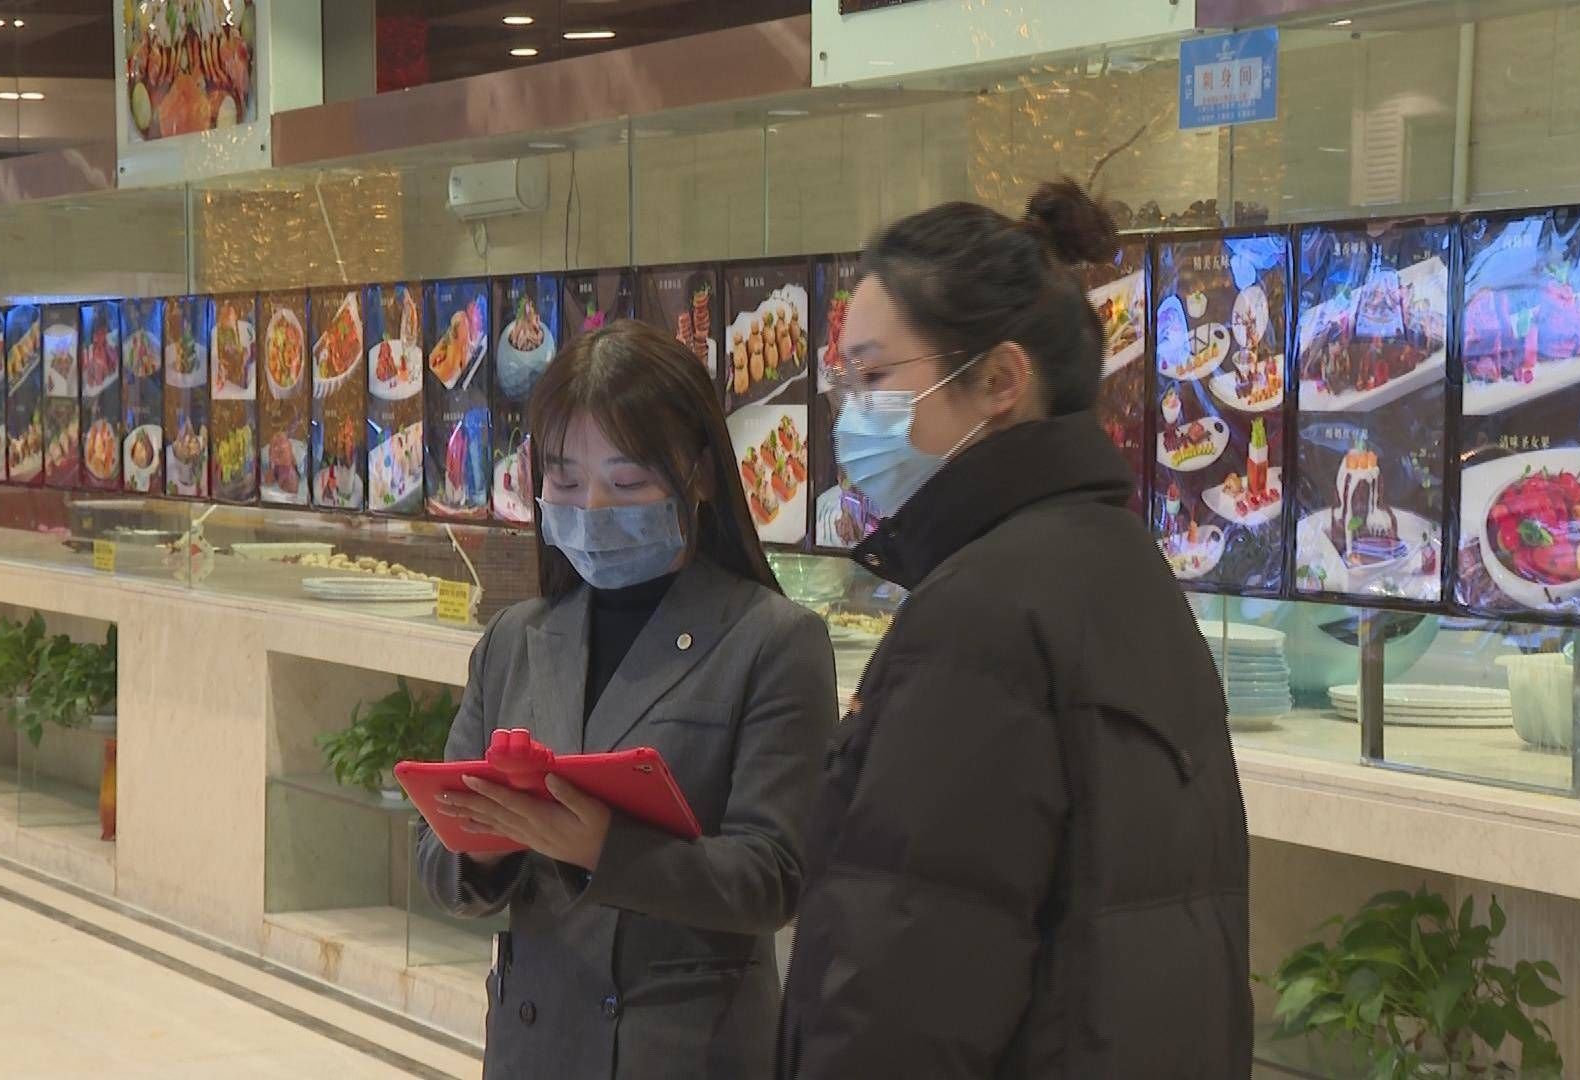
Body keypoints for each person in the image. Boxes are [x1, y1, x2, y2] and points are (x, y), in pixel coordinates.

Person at [778, 184, 1253, 1078]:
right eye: (845, 381)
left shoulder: (980, 615)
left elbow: (906, 988)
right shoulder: (1118, 564)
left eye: (876, 377)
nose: (851, 413)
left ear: (999, 380)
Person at [418, 320, 837, 1079]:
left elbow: (774, 877)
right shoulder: (516, 638)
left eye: (631, 480)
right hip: (534, 1044)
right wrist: (483, 840)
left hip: (683, 1051)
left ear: (701, 473)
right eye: (566, 480)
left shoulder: (773, 641)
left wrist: (598, 846)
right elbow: (441, 865)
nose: (595, 507)